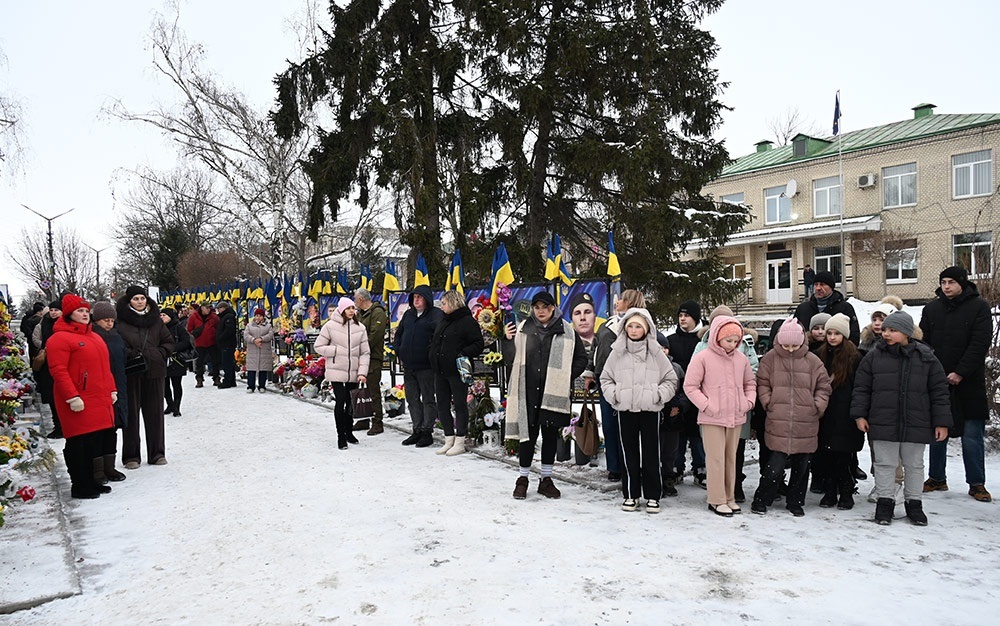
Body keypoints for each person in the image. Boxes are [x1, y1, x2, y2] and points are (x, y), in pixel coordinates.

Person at [852, 311, 951, 525]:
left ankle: (914, 504)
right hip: (883, 420)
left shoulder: (926, 357)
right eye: (885, 329)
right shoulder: (874, 356)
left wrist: (941, 421)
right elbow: (861, 388)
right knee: (885, 464)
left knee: (914, 465)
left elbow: (939, 391)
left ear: (906, 333)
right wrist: (860, 414)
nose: (886, 333)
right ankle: (885, 503)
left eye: (892, 330)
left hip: (916, 422)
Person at [502, 291, 588, 500]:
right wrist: (506, 339)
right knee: (527, 437)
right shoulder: (523, 329)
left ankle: (546, 480)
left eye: (545, 307)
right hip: (528, 392)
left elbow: (581, 359)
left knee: (550, 437)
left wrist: (564, 377)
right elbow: (509, 357)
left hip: (553, 393)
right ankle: (522, 479)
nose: (541, 311)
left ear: (553, 308)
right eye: (537, 307)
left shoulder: (567, 330)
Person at [919, 265, 993, 503]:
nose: (947, 286)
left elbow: (980, 343)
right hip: (938, 381)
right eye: (943, 282)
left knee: (972, 435)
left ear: (962, 283)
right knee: (937, 433)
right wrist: (933, 373)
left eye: (951, 282)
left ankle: (977, 483)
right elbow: (924, 343)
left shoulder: (978, 307)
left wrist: (960, 372)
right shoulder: (932, 309)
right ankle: (937, 477)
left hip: (969, 382)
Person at [750, 318, 831, 516]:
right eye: (786, 345)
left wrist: (817, 406)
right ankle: (762, 498)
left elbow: (823, 386)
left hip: (806, 422)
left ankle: (795, 501)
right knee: (774, 466)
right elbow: (762, 383)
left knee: (802, 467)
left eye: (795, 345)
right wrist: (768, 402)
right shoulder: (770, 358)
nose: (790, 349)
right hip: (778, 421)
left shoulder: (813, 361)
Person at [600, 308, 678, 513]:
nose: (634, 330)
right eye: (630, 326)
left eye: (638, 326)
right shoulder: (617, 352)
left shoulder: (656, 352)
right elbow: (605, 378)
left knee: (652, 452)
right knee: (629, 453)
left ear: (646, 328)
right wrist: (615, 394)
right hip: (625, 409)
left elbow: (670, 379)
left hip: (650, 410)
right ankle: (630, 494)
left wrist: (658, 395)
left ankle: (653, 495)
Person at [683, 315, 756, 517]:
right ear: (717, 337)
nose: (732, 345)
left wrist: (747, 402)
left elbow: (750, 383)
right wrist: (707, 405)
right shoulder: (703, 357)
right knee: (715, 459)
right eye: (728, 340)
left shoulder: (741, 359)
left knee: (730, 458)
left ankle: (729, 497)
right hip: (711, 417)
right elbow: (690, 386)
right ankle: (716, 499)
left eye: (735, 341)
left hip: (735, 416)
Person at [45, 294, 116, 499]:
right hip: (77, 399)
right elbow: (58, 370)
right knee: (78, 442)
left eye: (86, 311)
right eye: (80, 311)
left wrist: (112, 389)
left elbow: (105, 368)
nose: (85, 314)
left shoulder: (94, 336)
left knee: (93, 440)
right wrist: (71, 396)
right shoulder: (59, 338)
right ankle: (80, 484)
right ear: (69, 314)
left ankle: (91, 481)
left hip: (97, 397)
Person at [116, 286, 174, 468]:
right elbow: (117, 345)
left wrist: (159, 353)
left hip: (155, 372)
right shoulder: (121, 322)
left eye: (142, 298)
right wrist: (130, 353)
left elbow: (169, 342)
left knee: (155, 414)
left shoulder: (156, 321)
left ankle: (157, 453)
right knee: (131, 416)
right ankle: (131, 456)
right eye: (136, 299)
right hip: (132, 372)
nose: (140, 302)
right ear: (129, 301)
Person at [592, 289, 647, 481]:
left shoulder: (640, 324)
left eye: (622, 299)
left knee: (629, 426)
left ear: (630, 302)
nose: (618, 301)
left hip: (628, 381)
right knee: (609, 424)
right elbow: (596, 347)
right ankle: (614, 466)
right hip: (605, 379)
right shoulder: (609, 323)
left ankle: (631, 466)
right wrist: (591, 372)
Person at [814, 313, 863, 510]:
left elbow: (859, 386)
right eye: (829, 333)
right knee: (826, 454)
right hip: (826, 412)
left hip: (846, 413)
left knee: (843, 455)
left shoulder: (854, 357)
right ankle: (830, 490)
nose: (832, 337)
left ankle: (846, 490)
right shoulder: (820, 354)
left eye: (837, 333)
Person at [429, 290, 485, 456]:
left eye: (444, 303)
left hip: (457, 371)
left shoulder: (467, 321)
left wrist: (461, 353)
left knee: (460, 405)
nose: (442, 306)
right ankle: (449, 438)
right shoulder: (444, 320)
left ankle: (460, 440)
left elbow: (478, 344)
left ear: (453, 303)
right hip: (440, 370)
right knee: (442, 405)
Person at [314, 298, 371, 450]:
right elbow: (318, 346)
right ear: (341, 310)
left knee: (351, 403)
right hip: (336, 371)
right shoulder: (330, 326)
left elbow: (365, 352)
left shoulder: (360, 328)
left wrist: (362, 372)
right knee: (341, 401)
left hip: (353, 372)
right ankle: (341, 436)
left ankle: (349, 431)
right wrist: (335, 351)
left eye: (353, 308)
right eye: (348, 308)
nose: (352, 311)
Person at [394, 285, 443, 448]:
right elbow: (399, 334)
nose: (416, 300)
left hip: (426, 367)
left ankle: (427, 431)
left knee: (428, 399)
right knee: (412, 399)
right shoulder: (408, 315)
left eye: (419, 297)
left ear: (427, 299)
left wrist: (431, 354)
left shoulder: (435, 315)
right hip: (409, 365)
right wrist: (398, 349)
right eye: (414, 297)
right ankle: (417, 429)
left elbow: (440, 338)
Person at [666, 299, 703, 489]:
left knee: (697, 433)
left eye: (687, 315)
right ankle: (676, 467)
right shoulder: (671, 340)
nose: (683, 319)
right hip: (678, 394)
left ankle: (700, 468)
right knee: (678, 432)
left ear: (696, 318)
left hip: (699, 393)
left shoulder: (702, 340)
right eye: (680, 315)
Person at [90, 301, 128, 484]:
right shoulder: (93, 336)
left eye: (111, 320)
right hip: (100, 387)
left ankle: (109, 466)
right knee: (98, 429)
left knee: (113, 427)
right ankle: (98, 470)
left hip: (118, 386)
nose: (109, 323)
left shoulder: (116, 336)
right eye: (105, 320)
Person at [793, 270, 860, 345]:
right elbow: (793, 333)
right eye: (816, 284)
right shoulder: (803, 309)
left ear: (831, 287)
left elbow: (854, 336)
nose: (818, 288)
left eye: (822, 284)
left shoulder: (844, 308)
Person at [355, 288, 388, 435]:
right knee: (361, 389)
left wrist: (359, 348)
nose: (354, 302)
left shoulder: (377, 312)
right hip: (360, 357)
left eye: (356, 299)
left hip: (373, 358)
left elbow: (375, 335)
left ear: (362, 299)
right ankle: (363, 418)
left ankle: (377, 422)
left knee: (373, 390)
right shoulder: (360, 314)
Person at [33, 300, 64, 438]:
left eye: (56, 310)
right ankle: (57, 424)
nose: (53, 312)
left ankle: (62, 426)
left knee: (60, 396)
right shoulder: (45, 323)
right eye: (51, 310)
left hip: (60, 361)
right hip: (47, 362)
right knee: (51, 395)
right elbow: (38, 338)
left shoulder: (64, 324)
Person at [160, 307, 192, 415]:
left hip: (176, 360)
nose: (162, 317)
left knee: (176, 384)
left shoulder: (178, 328)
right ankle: (170, 404)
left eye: (164, 315)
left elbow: (186, 341)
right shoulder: (158, 329)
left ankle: (177, 406)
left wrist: (173, 348)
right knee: (164, 385)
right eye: (161, 315)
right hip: (162, 360)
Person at [187, 302, 220, 388]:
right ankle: (199, 379)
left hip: (212, 342)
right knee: (199, 362)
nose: (209, 309)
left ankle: (216, 378)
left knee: (215, 361)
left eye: (210, 308)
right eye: (207, 308)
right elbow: (189, 329)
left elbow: (218, 327)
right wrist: (194, 334)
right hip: (199, 343)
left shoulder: (214, 317)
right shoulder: (194, 317)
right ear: (202, 308)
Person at [244, 308, 274, 393]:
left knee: (262, 369)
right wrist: (254, 340)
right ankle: (250, 386)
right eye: (257, 315)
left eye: (260, 316)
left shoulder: (268, 326)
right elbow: (246, 335)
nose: (258, 317)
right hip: (252, 351)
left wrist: (261, 339)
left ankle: (262, 386)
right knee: (251, 370)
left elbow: (270, 335)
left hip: (264, 351)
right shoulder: (249, 325)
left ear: (263, 317)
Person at [215, 301, 238, 389]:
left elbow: (229, 330)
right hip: (227, 343)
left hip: (227, 343)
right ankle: (231, 380)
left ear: (223, 308)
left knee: (226, 363)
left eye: (219, 308)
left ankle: (227, 381)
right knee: (229, 362)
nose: (218, 311)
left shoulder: (228, 316)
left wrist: (220, 337)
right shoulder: (226, 316)